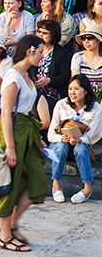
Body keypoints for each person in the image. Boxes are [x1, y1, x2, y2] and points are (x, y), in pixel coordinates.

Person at [0, 35, 48, 252]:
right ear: (29, 51)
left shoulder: (27, 74)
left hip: (26, 129)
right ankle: (5, 236)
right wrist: (10, 148)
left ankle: (13, 224)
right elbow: (6, 113)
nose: (42, 56)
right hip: (12, 131)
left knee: (37, 181)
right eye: (40, 51)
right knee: (10, 183)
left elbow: (27, 109)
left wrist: (38, 138)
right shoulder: (13, 76)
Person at [48, 74, 102, 204]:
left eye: (76, 89)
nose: (72, 92)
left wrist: (79, 140)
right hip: (61, 144)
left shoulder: (96, 109)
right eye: (70, 88)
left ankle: (87, 189)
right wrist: (62, 138)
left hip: (82, 145)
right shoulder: (61, 104)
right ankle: (56, 186)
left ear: (86, 90)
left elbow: (91, 136)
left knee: (81, 148)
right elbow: (50, 135)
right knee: (61, 147)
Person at [34, 19, 71, 108]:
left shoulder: (62, 53)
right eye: (39, 32)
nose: (40, 35)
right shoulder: (32, 50)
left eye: (45, 33)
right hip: (34, 89)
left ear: (53, 35)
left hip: (54, 93)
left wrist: (49, 80)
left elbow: (65, 77)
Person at [71, 21, 102, 101]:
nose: (86, 41)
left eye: (90, 38)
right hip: (83, 97)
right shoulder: (78, 57)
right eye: (83, 38)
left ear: (99, 40)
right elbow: (76, 81)